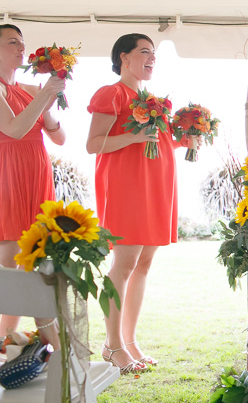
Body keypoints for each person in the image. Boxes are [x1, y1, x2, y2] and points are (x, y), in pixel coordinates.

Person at [85, 34, 194, 374]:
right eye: (145, 51)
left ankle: (129, 341)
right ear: (124, 57)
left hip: (156, 186)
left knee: (143, 265)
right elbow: (94, 144)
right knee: (124, 265)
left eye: (154, 53)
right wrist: (134, 136)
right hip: (127, 187)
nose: (152, 58)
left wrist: (185, 140)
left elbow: (159, 141)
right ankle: (113, 344)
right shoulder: (112, 93)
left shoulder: (152, 101)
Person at [0, 24, 67, 335]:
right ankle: (7, 338)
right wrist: (44, 95)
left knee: (37, 255)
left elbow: (60, 138)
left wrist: (48, 103)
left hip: (37, 172)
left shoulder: (30, 89)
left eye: (22, 42)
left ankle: (11, 340)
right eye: (12, 42)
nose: (21, 48)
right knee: (10, 258)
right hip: (8, 174)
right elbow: (14, 129)